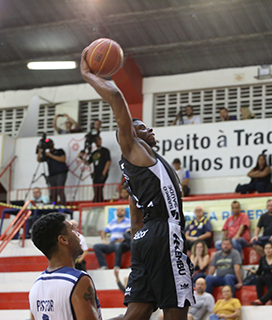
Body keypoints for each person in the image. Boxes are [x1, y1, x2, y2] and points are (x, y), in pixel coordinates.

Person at [81, 48, 194, 320]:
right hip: (164, 231)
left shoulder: (138, 169)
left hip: (143, 238)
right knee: (176, 308)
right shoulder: (133, 148)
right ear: (131, 132)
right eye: (142, 126)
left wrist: (140, 242)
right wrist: (87, 74)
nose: (149, 129)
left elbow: (134, 218)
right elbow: (118, 98)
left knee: (138, 311)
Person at [29, 213, 102, 320]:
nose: (78, 235)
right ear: (63, 239)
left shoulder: (36, 286)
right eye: (73, 230)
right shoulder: (79, 280)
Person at [79, 136, 111, 203]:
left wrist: (104, 172)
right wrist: (81, 158)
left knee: (99, 188)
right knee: (96, 189)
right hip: (96, 173)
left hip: (102, 172)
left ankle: (99, 202)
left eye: (98, 140)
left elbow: (108, 161)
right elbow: (88, 162)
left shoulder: (105, 151)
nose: (97, 142)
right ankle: (97, 201)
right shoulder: (94, 152)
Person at [37, 139, 68, 205]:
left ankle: (63, 204)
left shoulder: (59, 151)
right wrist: (40, 151)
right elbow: (39, 159)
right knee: (53, 192)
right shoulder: (47, 155)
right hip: (52, 175)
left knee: (60, 190)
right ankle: (54, 204)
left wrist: (51, 155)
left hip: (61, 173)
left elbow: (63, 159)